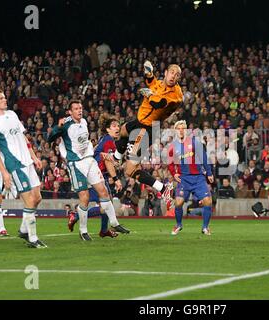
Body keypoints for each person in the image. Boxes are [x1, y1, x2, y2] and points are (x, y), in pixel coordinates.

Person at [48, 100, 127, 241]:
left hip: (89, 160)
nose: (79, 111)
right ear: (70, 112)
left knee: (104, 192)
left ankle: (114, 223)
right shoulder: (66, 124)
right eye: (76, 109)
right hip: (76, 164)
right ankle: (83, 230)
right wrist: (57, 127)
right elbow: (51, 138)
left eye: (81, 108)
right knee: (84, 198)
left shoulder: (83, 122)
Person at [115, 61, 183, 207]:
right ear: (165, 73)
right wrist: (149, 73)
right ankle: (116, 159)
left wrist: (150, 95)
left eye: (177, 75)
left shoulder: (176, 95)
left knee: (130, 170)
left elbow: (159, 104)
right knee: (123, 130)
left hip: (150, 128)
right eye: (172, 72)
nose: (173, 76)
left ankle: (164, 188)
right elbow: (152, 83)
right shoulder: (160, 83)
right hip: (140, 120)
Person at [0, 88, 46, 248]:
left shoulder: (12, 114)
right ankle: (33, 239)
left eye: (4, 97)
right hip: (14, 164)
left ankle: (23, 229)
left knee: (37, 198)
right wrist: (4, 172)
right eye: (1, 98)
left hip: (27, 161)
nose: (5, 99)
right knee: (29, 200)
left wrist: (34, 157)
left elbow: (23, 137)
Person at [67, 117, 129, 237]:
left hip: (96, 173)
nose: (117, 128)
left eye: (118, 126)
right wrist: (116, 179)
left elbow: (103, 157)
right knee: (106, 204)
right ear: (107, 129)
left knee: (106, 204)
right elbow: (106, 161)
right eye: (114, 126)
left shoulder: (105, 139)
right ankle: (76, 216)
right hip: (95, 174)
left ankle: (104, 230)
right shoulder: (109, 141)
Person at [168, 120, 214, 235]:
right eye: (179, 128)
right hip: (184, 179)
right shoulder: (173, 146)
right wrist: (174, 173)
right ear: (175, 130)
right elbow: (169, 162)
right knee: (178, 203)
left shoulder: (195, 142)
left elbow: (204, 157)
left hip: (198, 178)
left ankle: (205, 227)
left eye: (183, 128)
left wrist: (209, 172)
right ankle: (178, 225)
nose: (181, 130)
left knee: (207, 201)